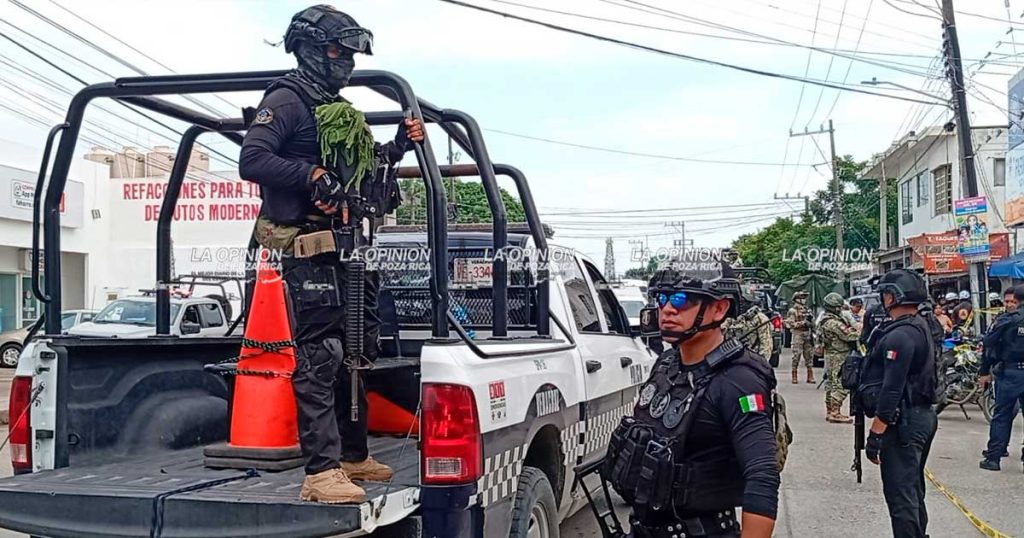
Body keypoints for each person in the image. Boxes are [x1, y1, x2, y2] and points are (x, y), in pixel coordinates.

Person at [238, 5, 425, 504]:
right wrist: (310, 176)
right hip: (309, 249)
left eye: (349, 53)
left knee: (357, 354)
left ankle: (352, 455)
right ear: (309, 49)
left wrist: (396, 148)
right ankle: (320, 472)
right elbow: (252, 159)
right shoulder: (288, 99)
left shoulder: (335, 109)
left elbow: (357, 176)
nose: (345, 62)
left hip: (348, 251)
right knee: (321, 358)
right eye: (338, 51)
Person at [604, 263, 779, 538]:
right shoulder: (666, 364)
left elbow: (762, 475)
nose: (668, 310)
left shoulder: (739, 382)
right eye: (662, 299)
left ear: (719, 309)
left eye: (682, 300)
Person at [859, 269, 938, 538]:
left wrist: (876, 432)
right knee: (912, 487)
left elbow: (892, 388)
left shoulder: (900, 335)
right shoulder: (920, 325)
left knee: (901, 495)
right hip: (919, 416)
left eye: (885, 294)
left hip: (904, 422)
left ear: (892, 296)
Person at [978, 285, 1024, 472]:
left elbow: (989, 343)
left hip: (1010, 373)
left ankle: (994, 458)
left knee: (1002, 416)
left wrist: (984, 370)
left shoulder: (1007, 320)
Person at [820, 293, 860, 424]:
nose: (840, 309)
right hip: (838, 354)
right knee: (841, 384)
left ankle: (830, 411)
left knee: (831, 384)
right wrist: (861, 332)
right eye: (838, 307)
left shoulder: (825, 319)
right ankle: (835, 413)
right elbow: (848, 336)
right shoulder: (833, 323)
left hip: (831, 354)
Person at [723, 292, 773, 360]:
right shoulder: (733, 317)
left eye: (744, 302)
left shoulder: (760, 318)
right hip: (734, 359)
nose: (741, 304)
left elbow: (766, 344)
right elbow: (722, 332)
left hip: (752, 359)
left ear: (750, 303)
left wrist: (761, 363)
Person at [785, 291, 814, 384]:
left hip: (807, 334)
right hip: (798, 334)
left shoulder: (807, 310)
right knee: (796, 355)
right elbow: (790, 324)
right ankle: (794, 375)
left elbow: (812, 324)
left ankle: (810, 375)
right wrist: (803, 322)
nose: (804, 300)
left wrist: (810, 322)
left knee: (809, 355)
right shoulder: (792, 311)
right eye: (802, 298)